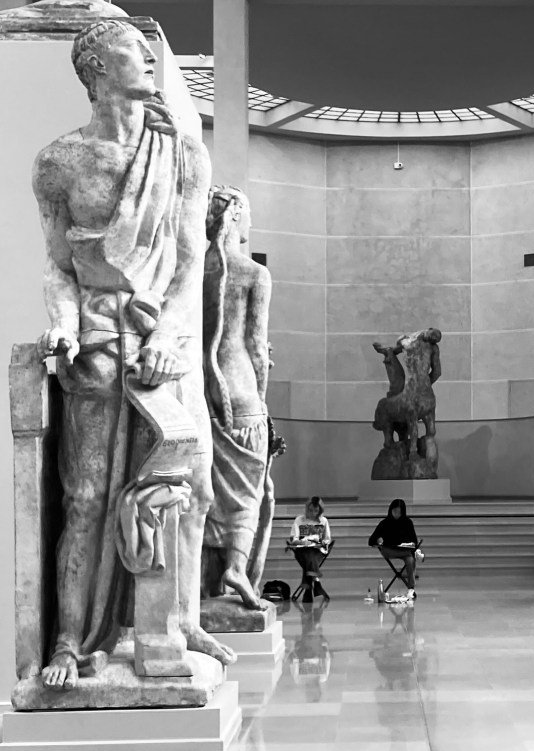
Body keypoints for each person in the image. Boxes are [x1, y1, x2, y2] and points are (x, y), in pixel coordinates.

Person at [32, 19, 229, 688]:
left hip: (159, 342)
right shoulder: (58, 162)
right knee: (87, 496)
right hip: (95, 344)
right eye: (131, 51)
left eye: (148, 53)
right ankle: (70, 641)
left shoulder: (181, 154)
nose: (148, 58)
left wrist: (169, 336)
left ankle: (174, 623)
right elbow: (59, 266)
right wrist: (63, 323)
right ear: (96, 69)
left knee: (182, 488)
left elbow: (190, 262)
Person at [201, 185, 272, 609]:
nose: (251, 223)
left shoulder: (192, 271)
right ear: (234, 214)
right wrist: (262, 395)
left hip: (201, 392)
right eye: (248, 213)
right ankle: (235, 568)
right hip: (240, 392)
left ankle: (203, 585)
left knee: (205, 493)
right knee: (248, 492)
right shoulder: (254, 273)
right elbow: (257, 347)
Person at [368, 499, 422, 598]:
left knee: (410, 560)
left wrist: (411, 545)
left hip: (404, 550)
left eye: (399, 512)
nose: (397, 514)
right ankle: (416, 554)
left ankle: (411, 588)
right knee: (411, 555)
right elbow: (371, 540)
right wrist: (379, 542)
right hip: (390, 550)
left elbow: (414, 540)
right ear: (390, 510)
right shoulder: (384, 523)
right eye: (395, 511)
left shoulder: (408, 522)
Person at [288, 497, 332, 596]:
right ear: (307, 509)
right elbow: (293, 539)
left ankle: (308, 591)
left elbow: (327, 539)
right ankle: (316, 582)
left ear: (320, 510)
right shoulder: (299, 520)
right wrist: (303, 542)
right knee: (308, 554)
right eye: (310, 510)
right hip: (302, 550)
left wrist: (322, 542)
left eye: (316, 511)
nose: (313, 513)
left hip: (317, 551)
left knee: (310, 556)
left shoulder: (323, 521)